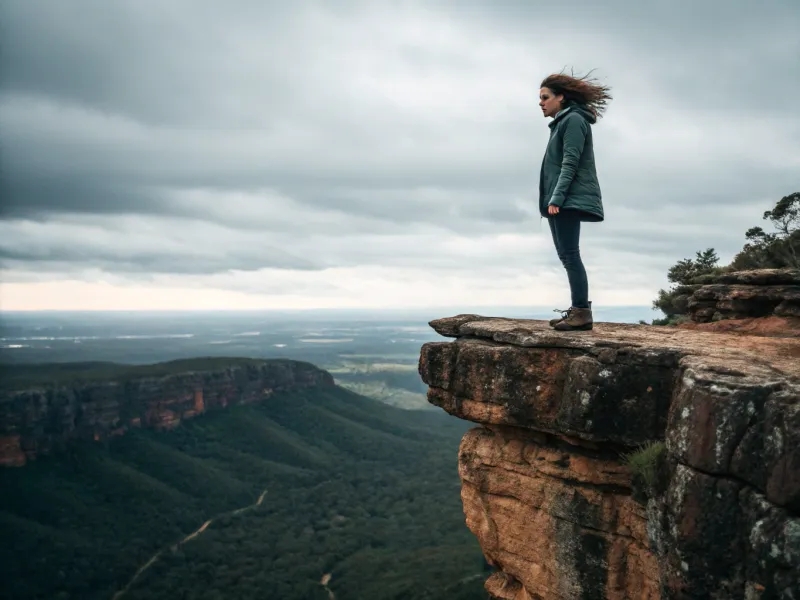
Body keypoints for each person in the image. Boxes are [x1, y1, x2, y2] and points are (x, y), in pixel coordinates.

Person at [538, 71, 612, 331]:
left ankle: (581, 313)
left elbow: (571, 162)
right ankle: (578, 310)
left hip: (565, 199)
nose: (541, 103)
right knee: (566, 255)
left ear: (561, 97)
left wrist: (556, 197)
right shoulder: (562, 121)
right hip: (558, 199)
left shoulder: (573, 121)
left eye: (545, 97)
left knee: (570, 255)